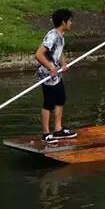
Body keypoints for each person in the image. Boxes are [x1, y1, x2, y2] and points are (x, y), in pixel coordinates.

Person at [36, 8, 77, 142]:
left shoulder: (60, 36)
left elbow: (58, 52)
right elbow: (39, 54)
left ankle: (58, 129)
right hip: (47, 74)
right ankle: (46, 134)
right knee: (49, 103)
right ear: (63, 22)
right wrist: (51, 68)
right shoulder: (52, 36)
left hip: (56, 73)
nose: (71, 23)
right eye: (70, 21)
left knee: (61, 99)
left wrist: (63, 64)